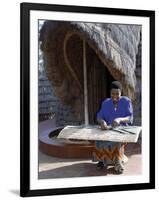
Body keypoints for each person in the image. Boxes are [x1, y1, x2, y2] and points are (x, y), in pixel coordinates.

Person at [93, 81, 133, 174]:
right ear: (110, 93)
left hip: (122, 130)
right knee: (99, 138)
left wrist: (119, 120)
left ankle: (117, 162)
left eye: (117, 93)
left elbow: (129, 117)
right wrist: (102, 122)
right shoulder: (105, 103)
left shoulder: (126, 101)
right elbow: (99, 116)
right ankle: (102, 160)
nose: (115, 96)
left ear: (121, 93)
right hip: (108, 129)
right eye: (112, 93)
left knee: (116, 140)